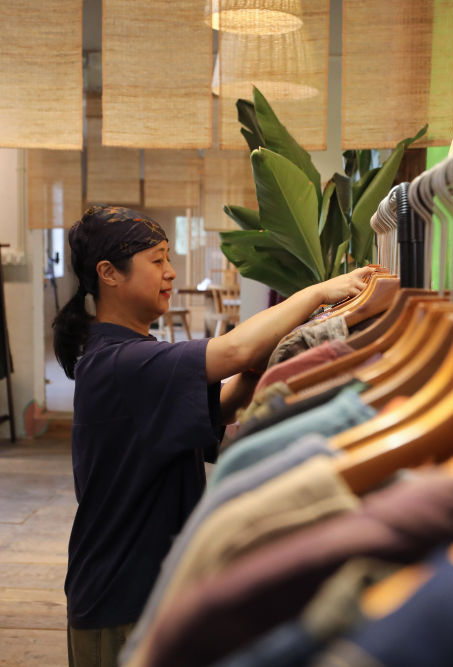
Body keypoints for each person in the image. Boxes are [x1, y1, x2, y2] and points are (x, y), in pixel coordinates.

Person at [52, 206, 375, 667]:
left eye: (168, 258)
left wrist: (276, 364)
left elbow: (220, 406)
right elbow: (235, 349)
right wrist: (319, 293)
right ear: (109, 274)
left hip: (142, 587)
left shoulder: (134, 354)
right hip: (118, 595)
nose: (170, 271)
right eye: (157, 260)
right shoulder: (119, 363)